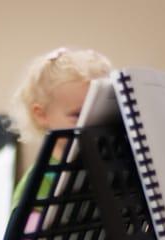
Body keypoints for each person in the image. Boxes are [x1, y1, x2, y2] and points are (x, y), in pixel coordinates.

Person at [10, 47, 112, 208]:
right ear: (41, 115)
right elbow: (29, 233)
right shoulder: (37, 184)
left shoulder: (102, 170)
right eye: (78, 115)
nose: (91, 125)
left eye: (97, 113)